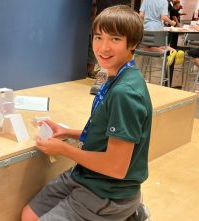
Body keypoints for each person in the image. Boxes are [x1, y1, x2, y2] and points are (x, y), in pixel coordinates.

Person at [21, 5, 152, 221]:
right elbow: (107, 133)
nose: (103, 47)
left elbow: (116, 167)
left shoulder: (125, 93)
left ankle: (127, 213)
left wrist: (63, 148)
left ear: (133, 44)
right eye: (98, 37)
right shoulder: (117, 76)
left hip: (107, 193)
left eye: (115, 39)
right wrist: (68, 132)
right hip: (86, 176)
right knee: (28, 215)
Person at [139, 0, 184, 66]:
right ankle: (173, 51)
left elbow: (141, 15)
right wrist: (172, 22)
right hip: (158, 29)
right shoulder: (164, 2)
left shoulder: (146, 0)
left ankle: (166, 52)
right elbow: (163, 17)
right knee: (161, 45)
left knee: (143, 47)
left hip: (147, 28)